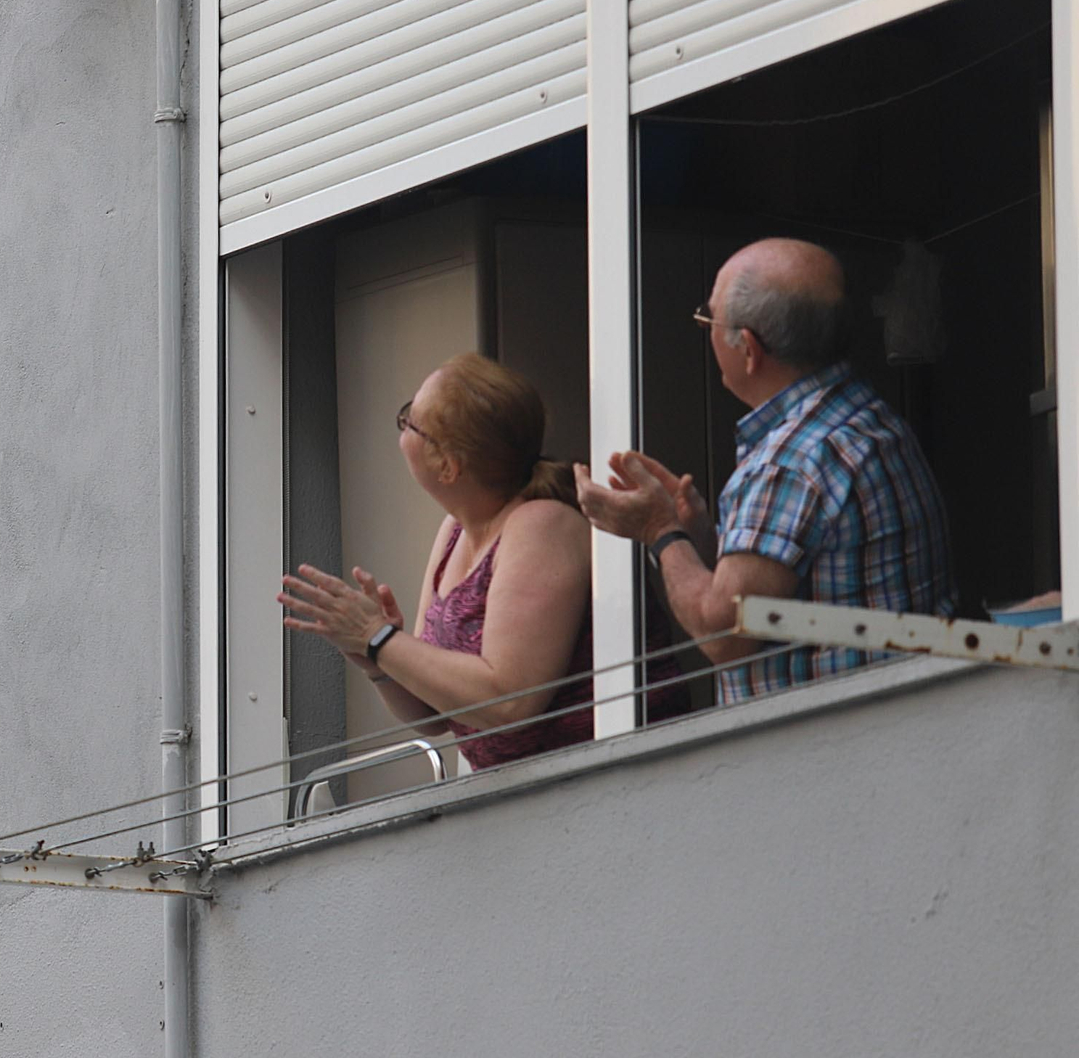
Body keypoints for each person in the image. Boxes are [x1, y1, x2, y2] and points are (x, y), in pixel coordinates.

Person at [575, 237, 956, 703]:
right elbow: (796, 579)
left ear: (750, 349)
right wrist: (699, 535)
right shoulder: (870, 419)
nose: (706, 332)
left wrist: (660, 530)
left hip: (833, 737)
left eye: (708, 320)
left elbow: (726, 635)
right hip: (908, 717)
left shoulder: (789, 463)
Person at [277, 353, 602, 769]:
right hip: (528, 793)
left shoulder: (541, 525)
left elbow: (509, 703)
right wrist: (375, 658)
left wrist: (379, 638)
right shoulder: (454, 530)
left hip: (600, 782)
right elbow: (433, 714)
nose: (402, 430)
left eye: (410, 421)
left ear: (447, 466)